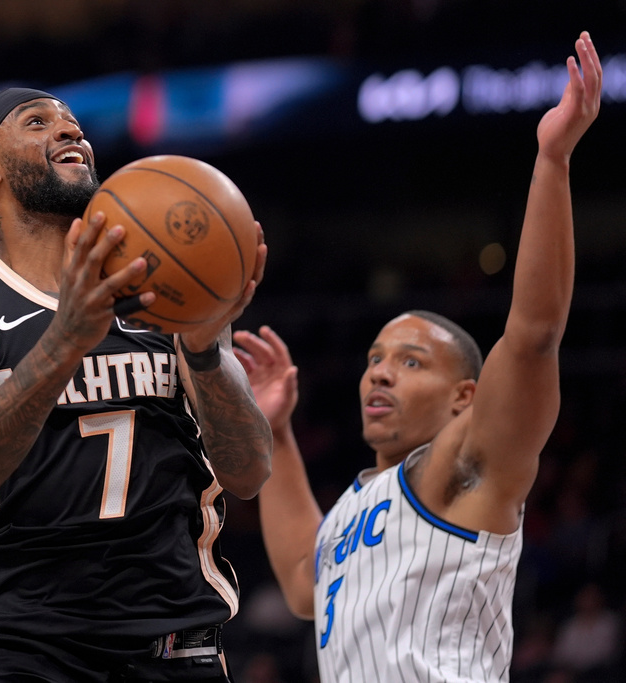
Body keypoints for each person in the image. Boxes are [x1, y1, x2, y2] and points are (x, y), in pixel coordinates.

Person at [232, 31, 602, 683]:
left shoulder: (466, 467)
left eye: (409, 361)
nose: (378, 370)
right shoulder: (354, 504)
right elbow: (299, 581)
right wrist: (279, 429)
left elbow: (535, 332)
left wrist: (553, 160)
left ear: (466, 395)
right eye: (376, 358)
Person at [0, 87, 273, 681]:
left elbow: (250, 473)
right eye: (38, 122)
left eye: (74, 124)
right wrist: (65, 339)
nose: (71, 131)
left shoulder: (167, 290)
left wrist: (204, 346)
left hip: (177, 649)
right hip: (29, 650)